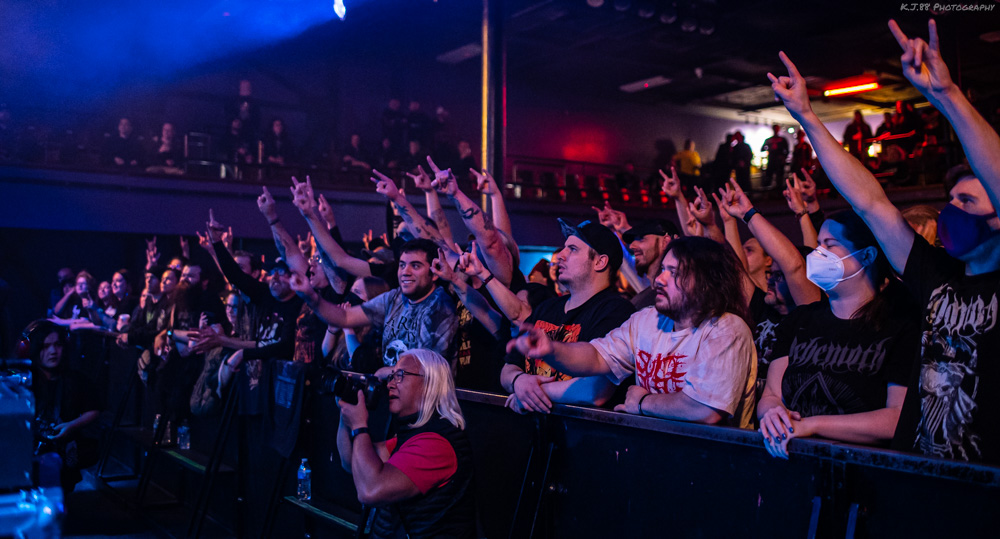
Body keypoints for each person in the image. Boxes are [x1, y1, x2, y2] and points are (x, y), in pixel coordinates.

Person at [768, 19, 1000, 463]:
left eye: (967, 200)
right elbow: (870, 202)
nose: (951, 208)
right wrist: (807, 117)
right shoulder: (936, 276)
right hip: (922, 470)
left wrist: (947, 96)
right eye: (948, 198)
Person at [507, 236, 757, 427]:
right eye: (663, 270)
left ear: (706, 284)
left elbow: (704, 409)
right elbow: (595, 357)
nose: (659, 280)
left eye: (675, 273)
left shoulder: (725, 328)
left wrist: (641, 402)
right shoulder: (648, 321)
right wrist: (552, 350)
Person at [756, 211, 919, 458]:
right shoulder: (800, 320)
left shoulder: (899, 325)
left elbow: (896, 417)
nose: (817, 253)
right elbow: (771, 394)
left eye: (830, 245)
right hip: (790, 461)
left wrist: (812, 426)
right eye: (819, 244)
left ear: (866, 255)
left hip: (861, 469)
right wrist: (772, 413)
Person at [497, 219, 635, 412]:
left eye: (572, 249)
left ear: (600, 262)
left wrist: (530, 393)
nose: (560, 255)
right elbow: (508, 369)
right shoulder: (546, 308)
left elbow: (595, 391)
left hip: (581, 438)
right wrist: (519, 380)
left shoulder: (617, 311)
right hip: (536, 437)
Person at [336, 349, 476, 538]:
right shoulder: (413, 436)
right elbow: (350, 461)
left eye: (400, 375)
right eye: (391, 376)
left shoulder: (437, 444)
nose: (390, 385)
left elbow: (370, 490)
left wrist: (360, 425)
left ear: (429, 384)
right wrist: (346, 413)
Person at [291, 238, 459, 370]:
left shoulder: (440, 306)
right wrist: (311, 297)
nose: (405, 272)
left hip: (426, 408)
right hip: (397, 401)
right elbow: (345, 317)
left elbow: (427, 369)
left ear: (434, 273)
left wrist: (388, 372)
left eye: (415, 266)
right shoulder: (394, 298)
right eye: (402, 265)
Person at [27, 322, 100, 490]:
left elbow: (94, 409)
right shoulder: (26, 379)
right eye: (46, 346)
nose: (53, 351)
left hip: (65, 446)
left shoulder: (75, 379)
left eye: (57, 345)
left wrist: (71, 426)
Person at [622, 220, 679, 310]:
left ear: (665, 242)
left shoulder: (678, 295)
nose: (631, 246)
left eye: (641, 238)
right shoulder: (640, 300)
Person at [761, 125, 790, 190]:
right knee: (769, 177)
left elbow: (787, 150)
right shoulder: (769, 140)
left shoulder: (782, 139)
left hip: (779, 162)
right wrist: (767, 146)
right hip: (771, 161)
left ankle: (778, 193)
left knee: (779, 178)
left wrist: (783, 158)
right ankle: (768, 193)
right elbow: (762, 148)